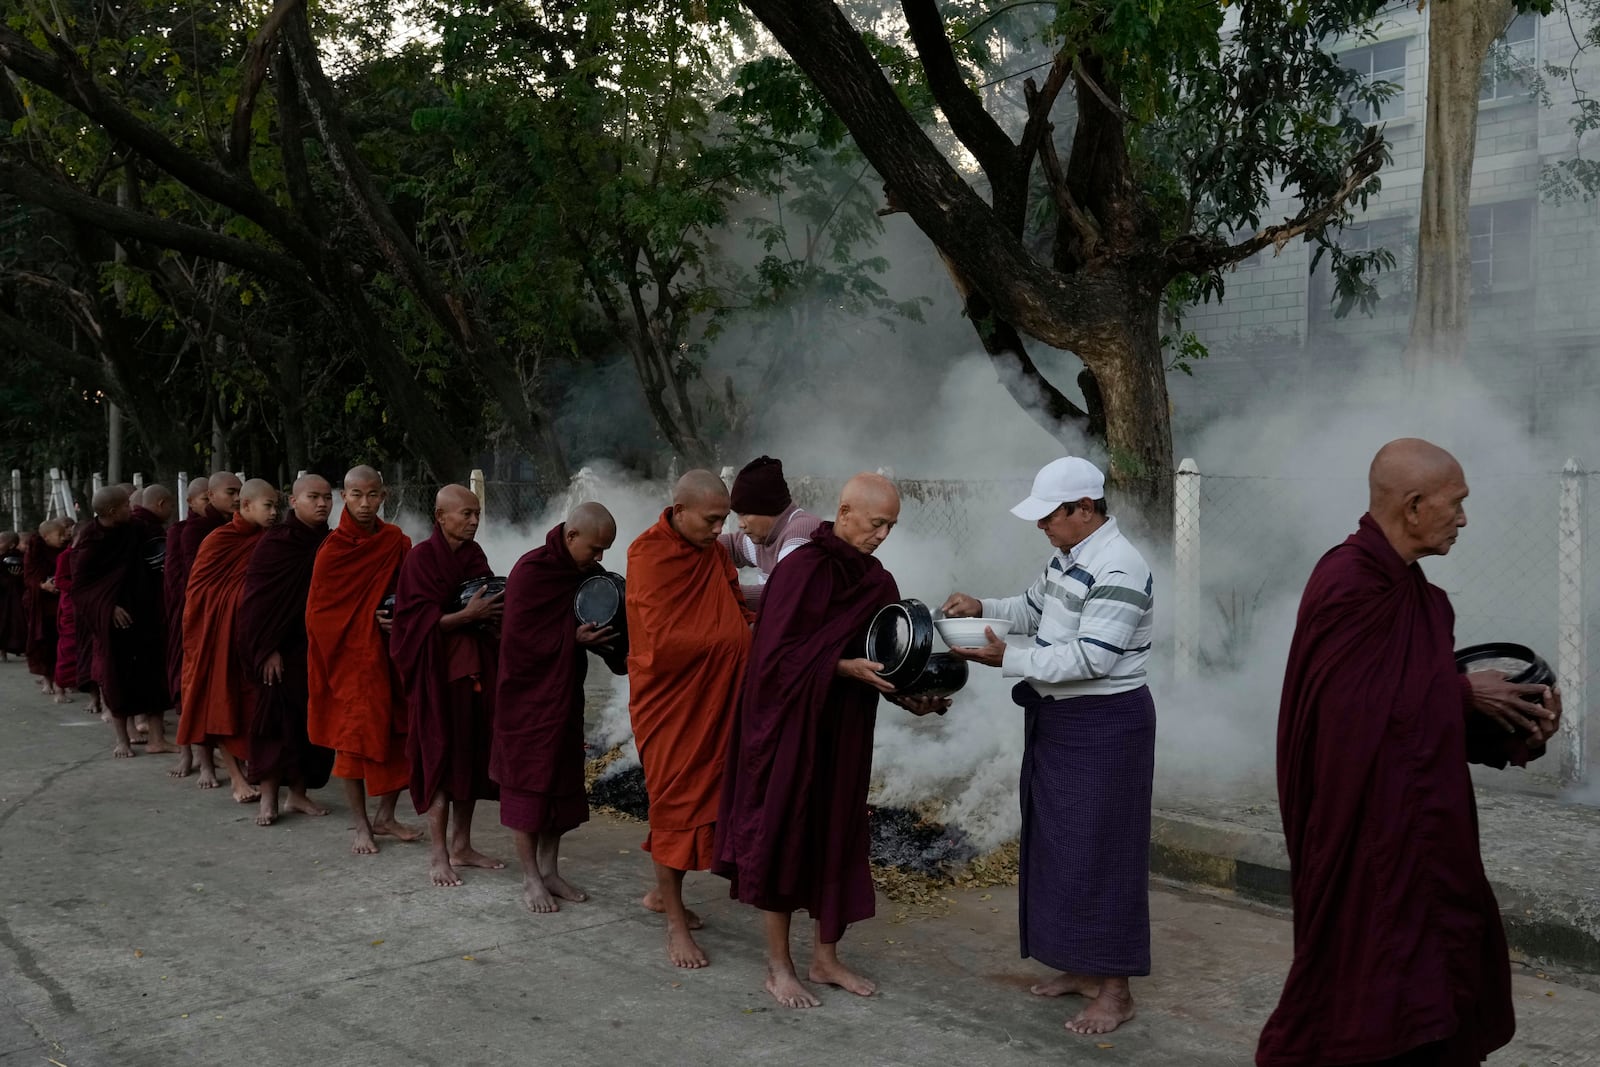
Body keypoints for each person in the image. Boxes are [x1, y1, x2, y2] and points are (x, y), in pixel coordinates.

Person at [1255, 439, 1563, 1067]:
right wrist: (1457, 691)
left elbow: (1415, 723)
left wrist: (1516, 731)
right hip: (1363, 833)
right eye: (1457, 503)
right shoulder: (1345, 583)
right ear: (1415, 505)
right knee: (1365, 984)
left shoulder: (1422, 599)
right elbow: (1347, 715)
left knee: (1441, 977)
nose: (1465, 519)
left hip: (1427, 826)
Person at [715, 472, 948, 1009]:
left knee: (837, 836)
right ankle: (779, 967)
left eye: (891, 525)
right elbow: (771, 661)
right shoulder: (799, 570)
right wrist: (839, 667)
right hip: (786, 731)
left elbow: (886, 661)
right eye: (875, 523)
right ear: (844, 513)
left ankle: (825, 958)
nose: (883, 535)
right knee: (781, 837)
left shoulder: (877, 583)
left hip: (842, 734)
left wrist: (913, 696)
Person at [943, 456, 1156, 1036]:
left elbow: (1092, 657)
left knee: (1104, 848)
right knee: (1059, 842)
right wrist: (982, 607)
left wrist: (1004, 658)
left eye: (1049, 517)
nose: (1042, 526)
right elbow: (1031, 609)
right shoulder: (1068, 559)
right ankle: (1081, 966)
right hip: (1061, 719)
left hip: (1106, 722)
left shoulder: (1120, 567)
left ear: (1084, 510)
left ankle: (1116, 991)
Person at [626, 469, 753, 967]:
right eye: (711, 519)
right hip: (670, 704)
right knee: (673, 807)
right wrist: (731, 640)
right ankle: (675, 924)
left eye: (724, 520)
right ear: (679, 511)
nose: (719, 530)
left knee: (711, 804)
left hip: (717, 701)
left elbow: (736, 608)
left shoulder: (716, 553)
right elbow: (660, 641)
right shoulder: (647, 554)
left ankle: (663, 895)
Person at [494, 501, 624, 913]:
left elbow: (608, 622)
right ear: (571, 537)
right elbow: (518, 640)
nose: (600, 558)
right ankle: (530, 877)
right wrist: (572, 639)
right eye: (595, 548)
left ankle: (550, 870)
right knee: (528, 788)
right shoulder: (532, 572)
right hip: (525, 700)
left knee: (560, 787)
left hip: (565, 697)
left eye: (606, 550)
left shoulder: (588, 577)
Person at [390, 484, 504, 887]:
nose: (474, 520)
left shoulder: (474, 557)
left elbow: (489, 603)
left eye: (477, 514)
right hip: (437, 678)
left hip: (474, 676)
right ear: (441, 517)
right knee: (438, 760)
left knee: (470, 761)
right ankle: (438, 853)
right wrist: (468, 615)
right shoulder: (421, 560)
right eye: (466, 513)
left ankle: (462, 845)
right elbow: (412, 624)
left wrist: (491, 614)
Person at [305, 465, 420, 856]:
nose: (365, 504)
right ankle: (361, 824)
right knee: (352, 741)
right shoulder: (333, 551)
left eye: (372, 495)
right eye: (356, 495)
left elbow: (409, 590)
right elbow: (318, 615)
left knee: (400, 736)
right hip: (351, 660)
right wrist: (364, 619)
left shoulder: (395, 541)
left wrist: (395, 614)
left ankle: (386, 816)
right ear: (344, 496)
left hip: (389, 655)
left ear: (383, 496)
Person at [235, 475, 336, 827]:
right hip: (279, 648)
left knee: (308, 722)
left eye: (327, 497)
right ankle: (268, 797)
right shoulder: (276, 543)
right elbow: (257, 603)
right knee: (274, 722)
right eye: (313, 497)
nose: (323, 504)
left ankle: (298, 793)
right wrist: (266, 649)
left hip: (315, 647)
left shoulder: (331, 542)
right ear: (293, 502)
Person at [177, 478, 278, 800]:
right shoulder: (218, 540)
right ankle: (236, 778)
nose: (275, 512)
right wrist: (241, 599)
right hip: (221, 635)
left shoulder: (273, 540)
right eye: (268, 506)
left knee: (253, 707)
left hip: (256, 637)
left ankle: (256, 771)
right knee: (223, 702)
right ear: (246, 507)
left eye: (277, 505)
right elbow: (200, 593)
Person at [72, 487, 177, 757]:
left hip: (146, 613)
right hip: (113, 622)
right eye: (125, 507)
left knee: (154, 677)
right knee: (116, 679)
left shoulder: (136, 529)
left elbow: (155, 556)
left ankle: (157, 739)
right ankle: (123, 740)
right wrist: (108, 608)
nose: (131, 510)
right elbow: (82, 587)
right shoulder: (90, 540)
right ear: (110, 511)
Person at [717, 455, 822, 612]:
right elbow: (732, 547)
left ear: (766, 507)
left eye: (745, 513)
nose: (740, 524)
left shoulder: (801, 535)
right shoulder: (766, 536)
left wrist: (718, 593)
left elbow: (782, 594)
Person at [165, 476, 211, 778]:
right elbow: (175, 578)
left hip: (213, 614)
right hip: (187, 614)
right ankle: (186, 752)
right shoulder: (182, 532)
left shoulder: (228, 530)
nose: (209, 504)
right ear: (191, 502)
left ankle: (208, 759)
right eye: (203, 499)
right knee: (187, 684)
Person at [23, 518, 69, 696]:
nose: (64, 537)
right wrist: (43, 586)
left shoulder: (64, 550)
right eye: (60, 534)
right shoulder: (34, 552)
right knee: (44, 644)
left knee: (60, 644)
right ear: (46, 536)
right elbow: (28, 578)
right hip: (40, 604)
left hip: (60, 603)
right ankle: (48, 682)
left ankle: (61, 683)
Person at [0, 530, 26, 661]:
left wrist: (15, 578)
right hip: (2, 594)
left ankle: (8, 649)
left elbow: (22, 575)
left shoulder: (18, 557)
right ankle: (2, 652)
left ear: (11, 545)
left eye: (1, 541)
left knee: (10, 623)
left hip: (13, 597)